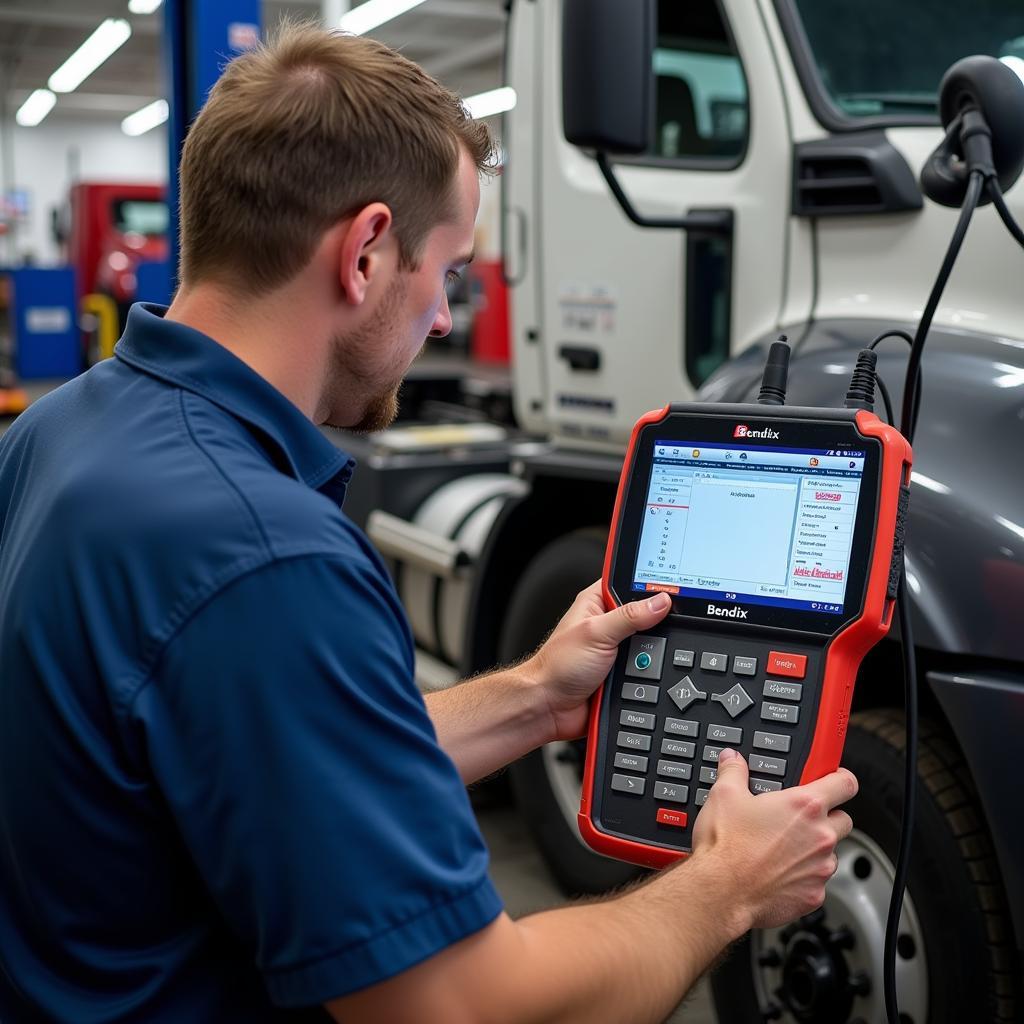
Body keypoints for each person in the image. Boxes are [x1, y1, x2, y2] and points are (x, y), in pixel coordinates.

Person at [0, 24, 857, 1024]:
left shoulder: (62, 428)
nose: (447, 321)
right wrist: (726, 886)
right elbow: (458, 1004)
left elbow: (280, 761)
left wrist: (538, 696)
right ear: (364, 252)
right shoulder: (266, 560)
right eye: (445, 274)